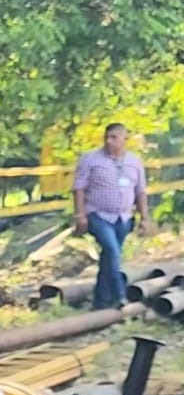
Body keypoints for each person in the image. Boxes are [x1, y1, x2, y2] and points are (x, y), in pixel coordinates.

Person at [74, 123, 153, 310]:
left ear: (124, 140)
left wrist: (144, 218)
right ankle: (120, 296)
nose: (109, 141)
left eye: (114, 138)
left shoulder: (134, 162)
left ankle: (100, 302)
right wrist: (80, 216)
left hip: (123, 218)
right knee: (113, 251)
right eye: (106, 137)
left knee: (108, 258)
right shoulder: (90, 159)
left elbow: (140, 191)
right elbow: (79, 188)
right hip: (98, 215)